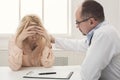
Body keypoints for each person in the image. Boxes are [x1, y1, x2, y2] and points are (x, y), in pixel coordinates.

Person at [39, 0, 120, 80]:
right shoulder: (101, 32)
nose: (77, 26)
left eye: (78, 22)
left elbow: (88, 74)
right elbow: (79, 45)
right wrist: (54, 40)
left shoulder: (104, 34)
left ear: (91, 22)